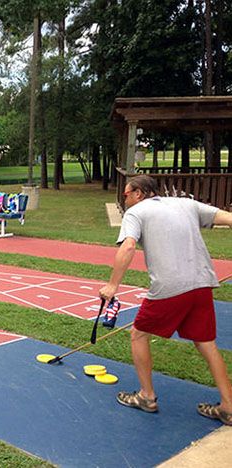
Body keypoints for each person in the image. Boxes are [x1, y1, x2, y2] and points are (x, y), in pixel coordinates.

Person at [98, 174, 232, 426]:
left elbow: (127, 247)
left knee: (138, 334)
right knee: (206, 343)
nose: (124, 198)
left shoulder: (136, 213)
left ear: (138, 193)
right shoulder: (185, 203)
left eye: (126, 194)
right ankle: (229, 406)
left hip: (170, 286)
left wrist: (112, 285)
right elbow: (229, 218)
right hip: (202, 283)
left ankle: (147, 397)